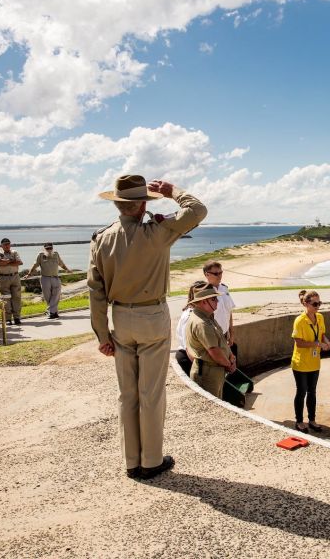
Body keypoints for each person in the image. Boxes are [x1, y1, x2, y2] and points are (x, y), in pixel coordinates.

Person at [88, 174, 207, 481]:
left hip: (120, 318)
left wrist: (102, 335)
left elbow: (96, 292)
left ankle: (131, 461)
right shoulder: (157, 231)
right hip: (152, 315)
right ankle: (151, 461)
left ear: (117, 203)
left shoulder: (101, 238)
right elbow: (197, 210)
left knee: (127, 394)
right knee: (150, 393)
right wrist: (172, 192)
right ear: (142, 204)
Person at [291, 290, 330, 433]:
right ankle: (299, 421)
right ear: (306, 304)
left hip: (314, 362)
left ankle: (312, 420)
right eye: (315, 303)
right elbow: (299, 343)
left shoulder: (320, 317)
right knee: (301, 391)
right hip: (301, 363)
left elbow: (322, 335)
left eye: (319, 303)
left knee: (312, 392)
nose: (318, 306)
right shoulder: (300, 321)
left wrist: (327, 343)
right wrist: (316, 344)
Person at [185, 282, 236, 399]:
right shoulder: (202, 323)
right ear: (203, 302)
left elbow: (221, 342)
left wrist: (231, 357)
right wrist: (229, 365)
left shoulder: (208, 317)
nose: (217, 302)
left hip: (213, 371)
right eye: (214, 299)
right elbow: (214, 351)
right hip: (208, 373)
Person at [25, 242, 71, 319]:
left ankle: (50, 312)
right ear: (44, 249)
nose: (49, 249)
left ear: (53, 248)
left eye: (50, 248)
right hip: (45, 278)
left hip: (55, 278)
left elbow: (61, 263)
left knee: (56, 295)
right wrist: (29, 274)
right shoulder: (40, 255)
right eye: (47, 248)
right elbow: (35, 265)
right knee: (48, 297)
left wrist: (67, 269)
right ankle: (54, 312)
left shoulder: (56, 254)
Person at [202, 260, 237, 357]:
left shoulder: (224, 289)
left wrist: (231, 333)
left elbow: (229, 311)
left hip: (225, 335)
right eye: (216, 273)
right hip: (213, 337)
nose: (219, 276)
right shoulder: (204, 293)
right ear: (207, 274)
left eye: (221, 272)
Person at [174, 280, 205, 376]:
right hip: (188, 359)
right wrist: (199, 370)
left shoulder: (199, 314)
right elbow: (188, 347)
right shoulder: (189, 316)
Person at [0, 238, 23, 325]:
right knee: (6, 299)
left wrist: (6, 262)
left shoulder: (14, 252)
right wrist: (11, 261)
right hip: (3, 278)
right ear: (1, 245)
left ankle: (17, 317)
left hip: (15, 276)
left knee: (17, 298)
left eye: (8, 244)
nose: (7, 246)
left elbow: (20, 262)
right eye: (5, 244)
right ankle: (8, 319)